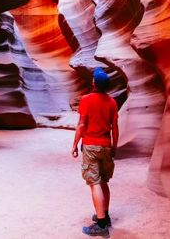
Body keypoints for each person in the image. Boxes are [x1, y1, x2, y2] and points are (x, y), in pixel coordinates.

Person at [71, 67, 119, 238]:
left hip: (91, 145)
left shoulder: (86, 100)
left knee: (94, 182)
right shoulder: (112, 102)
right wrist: (114, 147)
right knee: (104, 181)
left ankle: (100, 225)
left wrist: (75, 144)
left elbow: (82, 124)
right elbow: (115, 128)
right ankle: (105, 215)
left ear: (94, 83)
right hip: (106, 145)